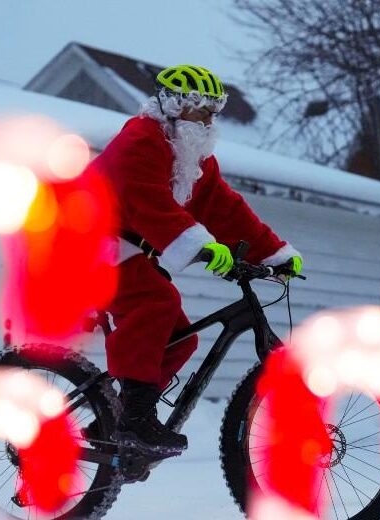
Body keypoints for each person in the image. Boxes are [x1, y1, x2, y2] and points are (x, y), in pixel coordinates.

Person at [85, 64, 302, 455]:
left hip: (120, 248)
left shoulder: (190, 156)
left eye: (211, 112)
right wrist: (199, 245)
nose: (205, 120)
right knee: (156, 301)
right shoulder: (140, 140)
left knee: (180, 340)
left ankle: (117, 416)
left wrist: (273, 252)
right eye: (197, 109)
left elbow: (225, 209)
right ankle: (133, 420)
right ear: (170, 105)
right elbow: (147, 204)